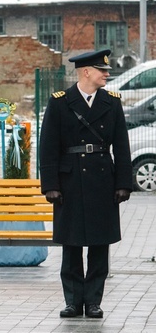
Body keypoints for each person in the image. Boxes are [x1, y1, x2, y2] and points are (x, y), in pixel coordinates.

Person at [39, 49, 132, 319]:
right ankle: (72, 301)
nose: (107, 74)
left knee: (99, 244)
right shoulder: (60, 102)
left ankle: (93, 302)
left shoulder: (112, 102)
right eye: (102, 70)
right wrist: (50, 184)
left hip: (102, 179)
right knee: (71, 244)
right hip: (69, 181)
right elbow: (48, 147)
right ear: (86, 72)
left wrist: (123, 182)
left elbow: (122, 145)